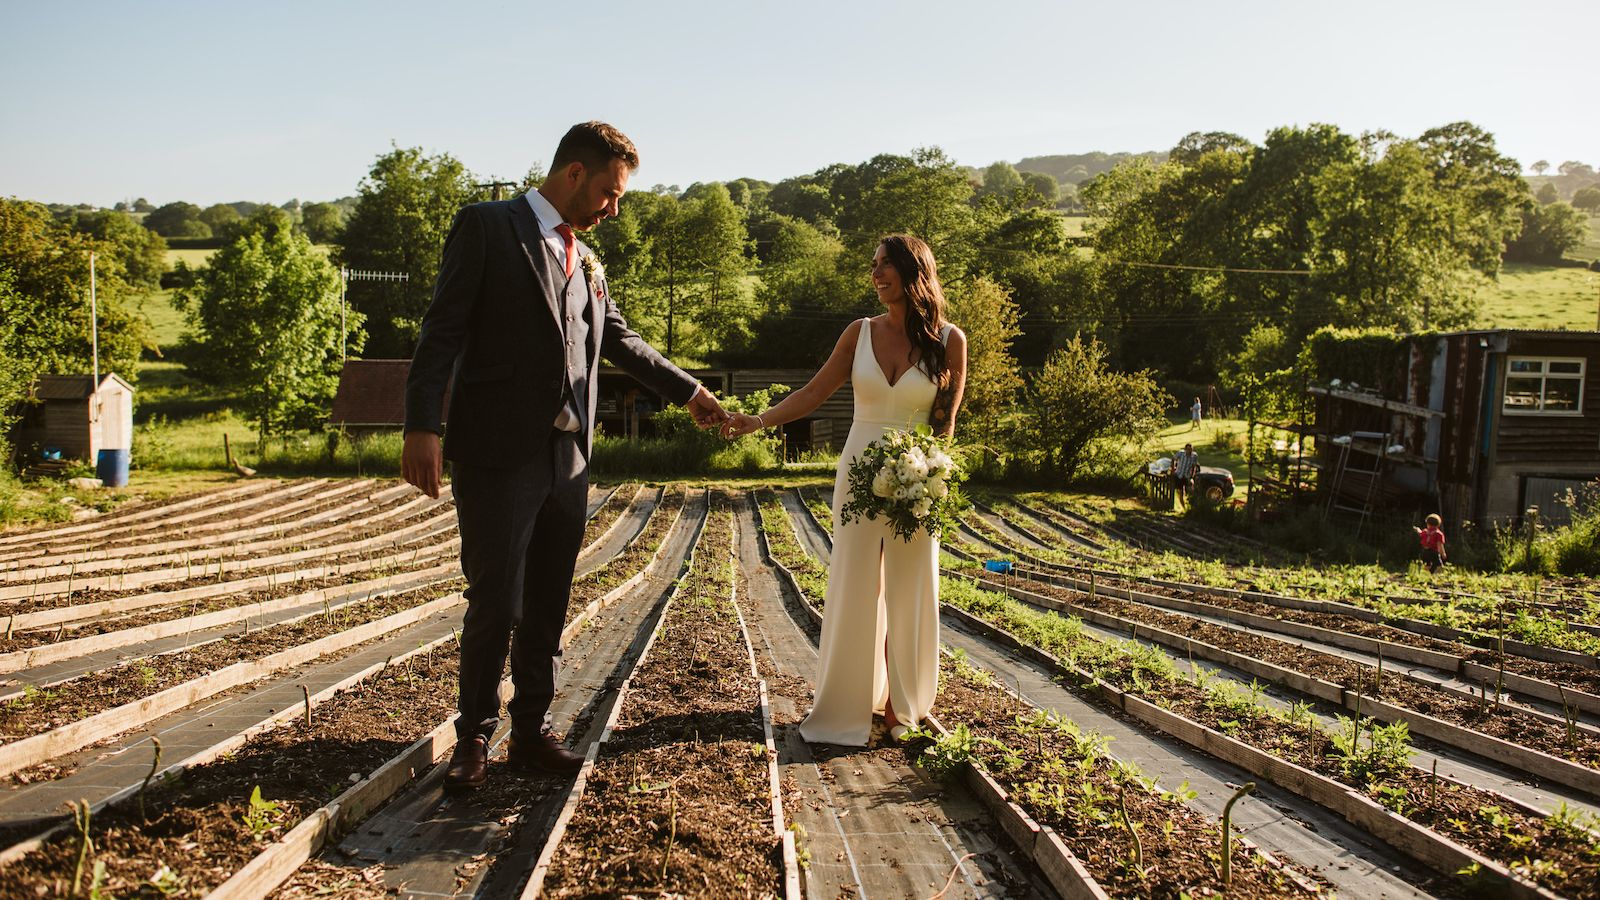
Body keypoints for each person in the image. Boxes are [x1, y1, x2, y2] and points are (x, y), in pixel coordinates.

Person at [402, 122, 729, 790]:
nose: (614, 207)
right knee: (496, 599)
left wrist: (691, 390)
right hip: (498, 454)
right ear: (574, 174)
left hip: (568, 461)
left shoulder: (586, 261)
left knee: (549, 600)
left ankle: (530, 733)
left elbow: (620, 340)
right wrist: (420, 425)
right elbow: (442, 329)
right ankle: (473, 740)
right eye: (610, 192)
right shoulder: (489, 227)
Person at [722, 234, 967, 745]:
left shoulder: (950, 341)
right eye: (873, 266)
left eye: (885, 266)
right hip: (859, 473)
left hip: (918, 480)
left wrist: (930, 473)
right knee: (858, 584)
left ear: (911, 269)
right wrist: (757, 420)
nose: (876, 275)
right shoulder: (858, 333)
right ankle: (848, 705)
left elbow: (944, 423)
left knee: (912, 584)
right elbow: (814, 392)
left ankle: (903, 707)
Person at [1172, 442, 1199, 510]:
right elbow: (1173, 459)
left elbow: (1194, 467)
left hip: (1187, 476)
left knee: (1191, 490)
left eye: (1190, 449)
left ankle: (1191, 505)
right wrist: (1173, 469)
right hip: (1179, 475)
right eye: (1188, 449)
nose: (1189, 451)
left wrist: (1192, 476)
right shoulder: (1180, 453)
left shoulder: (1194, 456)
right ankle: (1183, 507)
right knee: (1180, 491)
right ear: (1185, 449)